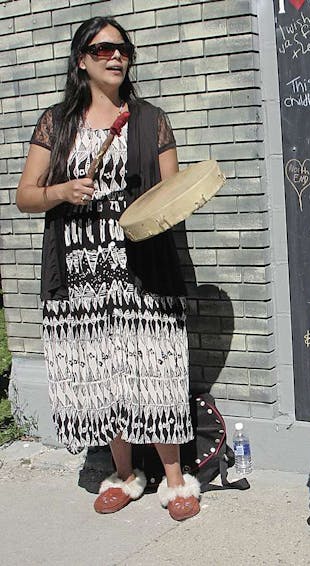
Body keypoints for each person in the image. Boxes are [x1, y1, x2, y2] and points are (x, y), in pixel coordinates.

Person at [15, 17, 200, 521]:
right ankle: (124, 474)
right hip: (80, 269)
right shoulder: (56, 122)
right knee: (102, 372)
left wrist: (183, 198)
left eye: (122, 49)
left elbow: (172, 194)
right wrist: (61, 190)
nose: (115, 57)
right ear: (82, 61)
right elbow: (24, 195)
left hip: (142, 264)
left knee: (155, 367)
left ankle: (176, 479)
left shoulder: (150, 120)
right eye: (102, 50)